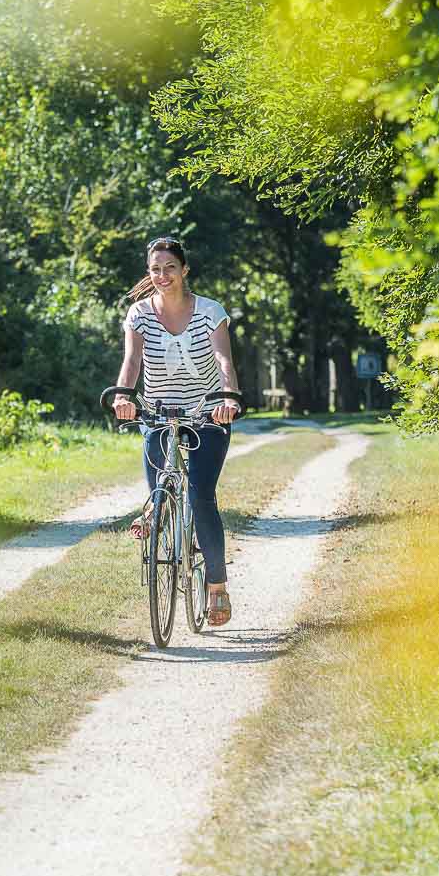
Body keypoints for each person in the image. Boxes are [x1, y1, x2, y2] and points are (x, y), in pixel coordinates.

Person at [110, 236, 243, 627]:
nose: (162, 275)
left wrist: (228, 398)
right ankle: (155, 507)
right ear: (148, 274)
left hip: (207, 413)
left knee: (201, 498)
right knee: (159, 487)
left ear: (184, 270)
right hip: (158, 411)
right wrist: (123, 395)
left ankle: (216, 587)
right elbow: (132, 361)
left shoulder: (209, 312)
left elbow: (223, 359)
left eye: (170, 268)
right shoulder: (139, 314)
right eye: (155, 269)